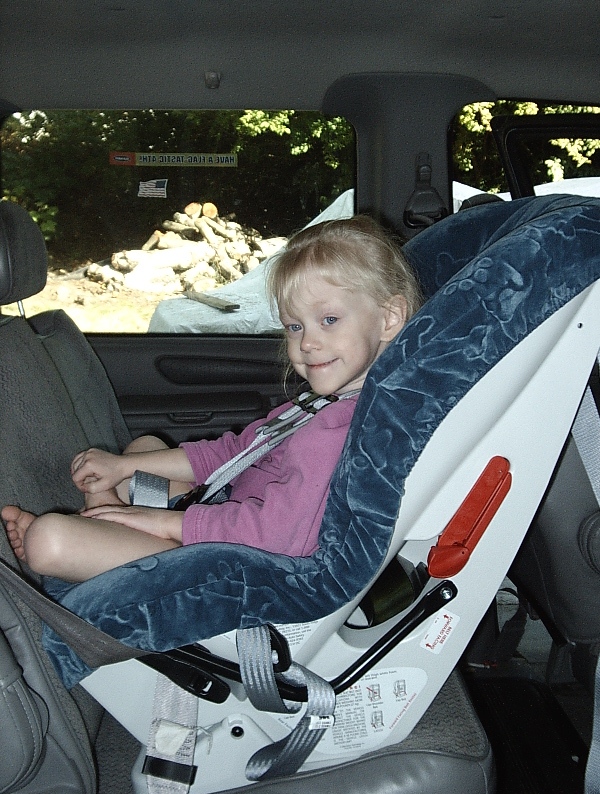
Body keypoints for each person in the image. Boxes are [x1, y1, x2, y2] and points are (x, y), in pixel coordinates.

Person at [2, 215, 423, 583]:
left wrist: (165, 523)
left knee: (48, 541)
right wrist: (123, 467)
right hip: (227, 518)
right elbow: (234, 453)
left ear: (389, 318)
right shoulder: (319, 405)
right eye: (294, 326)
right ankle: (108, 523)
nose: (307, 343)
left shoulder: (335, 431)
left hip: (241, 566)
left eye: (329, 320)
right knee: (142, 451)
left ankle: (101, 533)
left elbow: (274, 537)